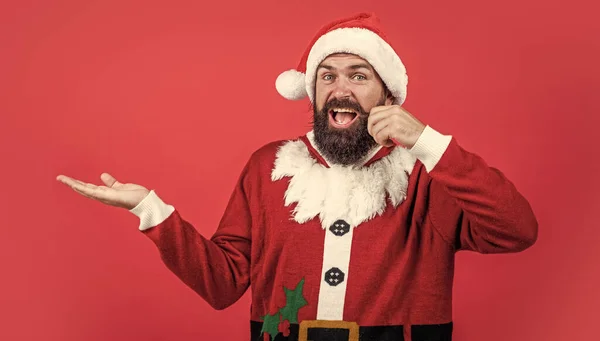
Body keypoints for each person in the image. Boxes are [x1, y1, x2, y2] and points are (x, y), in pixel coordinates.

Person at [56, 12, 538, 341]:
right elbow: (223, 285)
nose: (340, 89)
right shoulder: (267, 167)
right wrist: (150, 210)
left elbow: (517, 230)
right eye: (327, 76)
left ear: (389, 99)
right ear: (312, 94)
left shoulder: (428, 176)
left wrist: (429, 143)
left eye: (358, 75)